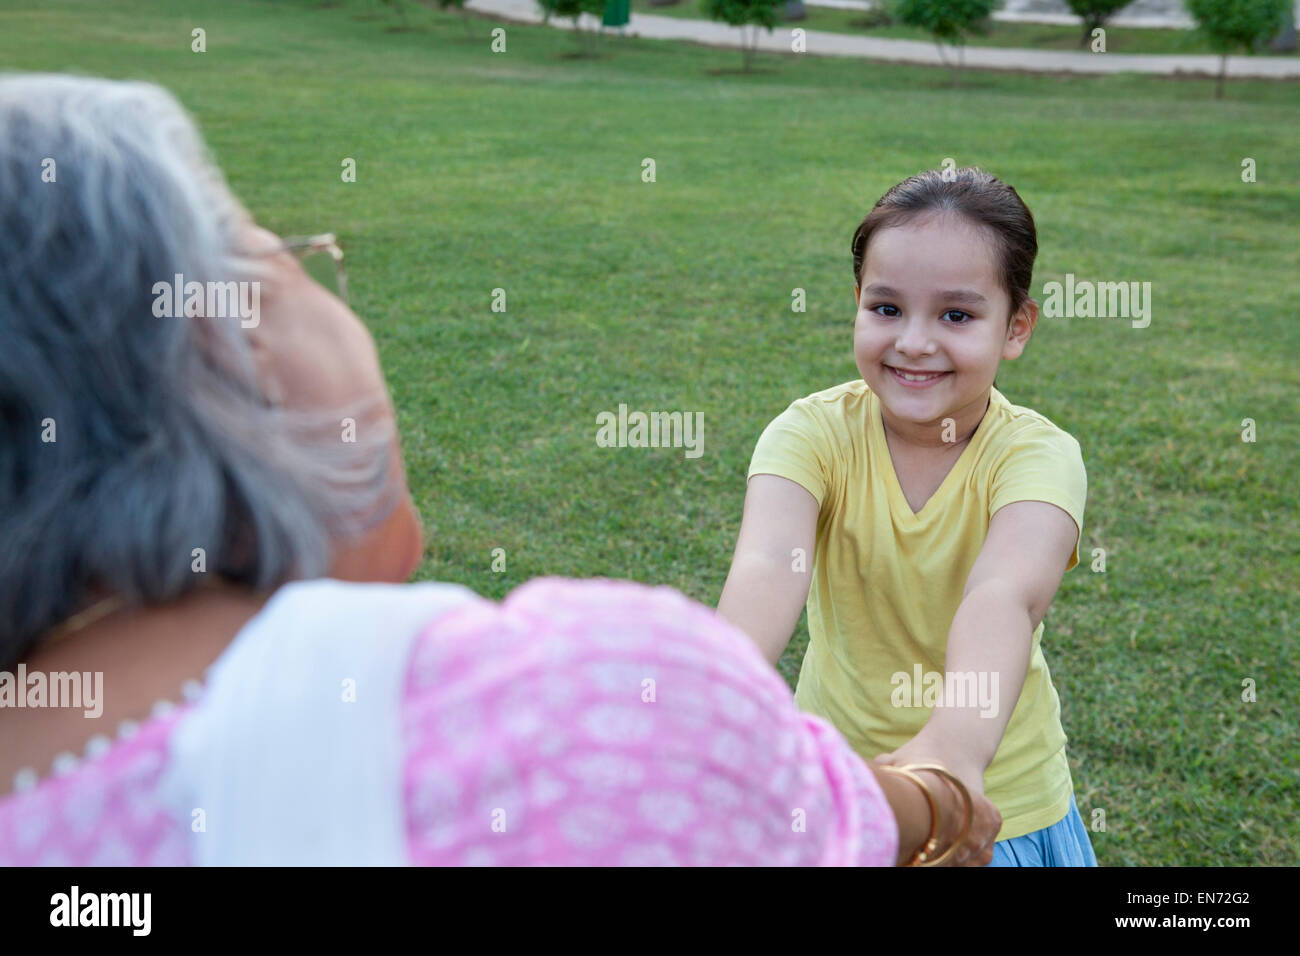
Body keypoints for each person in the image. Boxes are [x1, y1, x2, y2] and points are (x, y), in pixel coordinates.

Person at [0, 74, 1000, 865]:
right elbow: (770, 778)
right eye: (290, 261)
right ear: (231, 347)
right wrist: (940, 797)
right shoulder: (577, 708)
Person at [718, 167, 1098, 866]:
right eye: (887, 309)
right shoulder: (810, 434)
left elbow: (1004, 595)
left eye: (956, 315)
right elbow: (770, 564)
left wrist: (952, 751)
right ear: (858, 304)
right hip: (838, 793)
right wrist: (710, 694)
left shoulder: (1037, 457)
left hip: (992, 800)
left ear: (1016, 327)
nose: (914, 342)